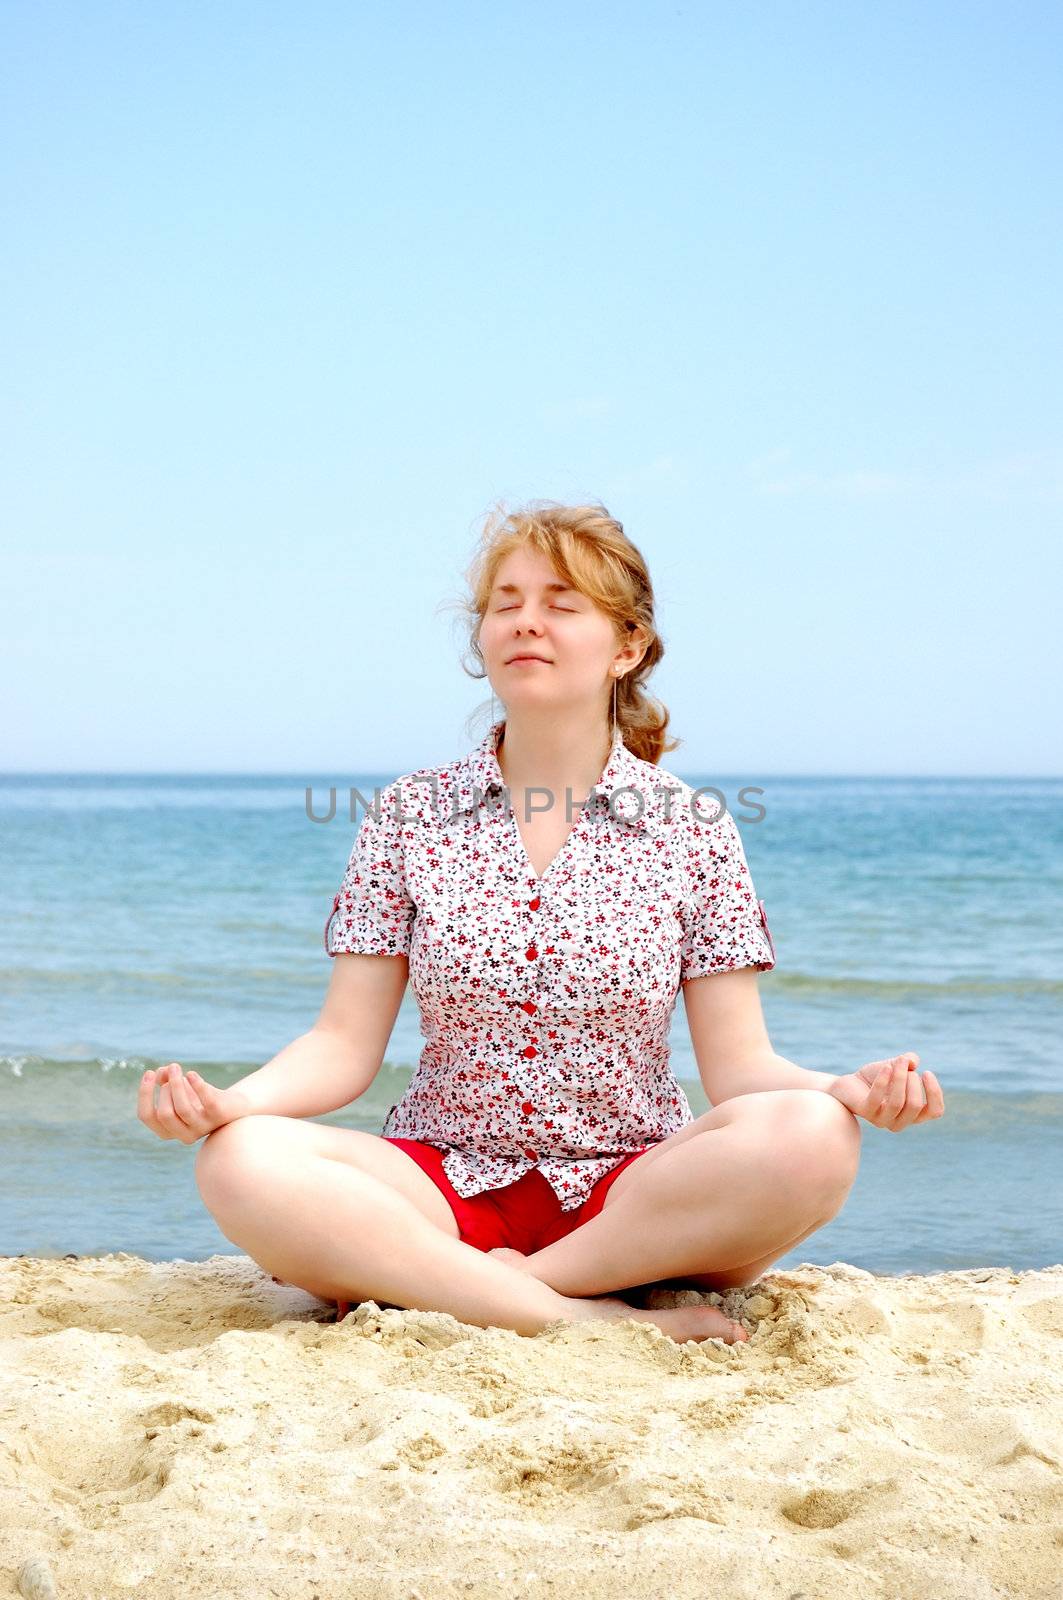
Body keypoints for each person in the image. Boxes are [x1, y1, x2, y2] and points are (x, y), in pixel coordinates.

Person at [138, 499, 944, 1347]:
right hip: (436, 1185)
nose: (527, 622)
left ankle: (491, 1289)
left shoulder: (692, 826)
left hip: (633, 1203)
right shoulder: (410, 814)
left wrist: (843, 1092)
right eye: (505, 603)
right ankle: (573, 1319)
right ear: (480, 637)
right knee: (240, 1157)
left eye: (562, 604)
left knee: (814, 1136)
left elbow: (740, 1068)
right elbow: (341, 1045)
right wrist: (232, 1103)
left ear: (625, 647)